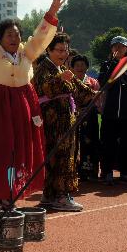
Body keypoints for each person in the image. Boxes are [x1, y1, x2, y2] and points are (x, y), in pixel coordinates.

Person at [0, 0, 63, 213]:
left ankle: (12, 196)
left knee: (20, 150)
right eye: (9, 35)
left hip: (23, 106)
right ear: (0, 38)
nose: (13, 38)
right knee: (1, 151)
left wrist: (51, 14)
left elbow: (40, 37)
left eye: (17, 34)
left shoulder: (26, 53)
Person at [33, 34, 94, 210]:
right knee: (60, 156)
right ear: (48, 50)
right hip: (53, 121)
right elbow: (44, 88)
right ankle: (59, 195)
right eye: (59, 50)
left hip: (65, 119)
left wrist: (94, 93)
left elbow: (79, 88)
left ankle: (51, 194)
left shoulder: (60, 69)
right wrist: (61, 79)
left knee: (62, 155)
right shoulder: (44, 68)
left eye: (65, 50)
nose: (63, 53)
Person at [98, 36, 127, 185]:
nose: (118, 49)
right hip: (109, 112)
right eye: (115, 47)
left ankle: (125, 172)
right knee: (107, 143)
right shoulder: (106, 65)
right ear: (111, 49)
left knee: (126, 144)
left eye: (121, 47)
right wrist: (113, 67)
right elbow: (103, 83)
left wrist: (123, 71)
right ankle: (107, 171)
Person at [70, 54, 100, 182]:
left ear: (87, 67)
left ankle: (90, 171)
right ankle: (74, 171)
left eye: (83, 65)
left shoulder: (93, 82)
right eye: (77, 65)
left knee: (90, 142)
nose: (80, 67)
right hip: (72, 116)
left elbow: (98, 101)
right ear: (72, 68)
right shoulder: (69, 82)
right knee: (73, 143)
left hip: (90, 116)